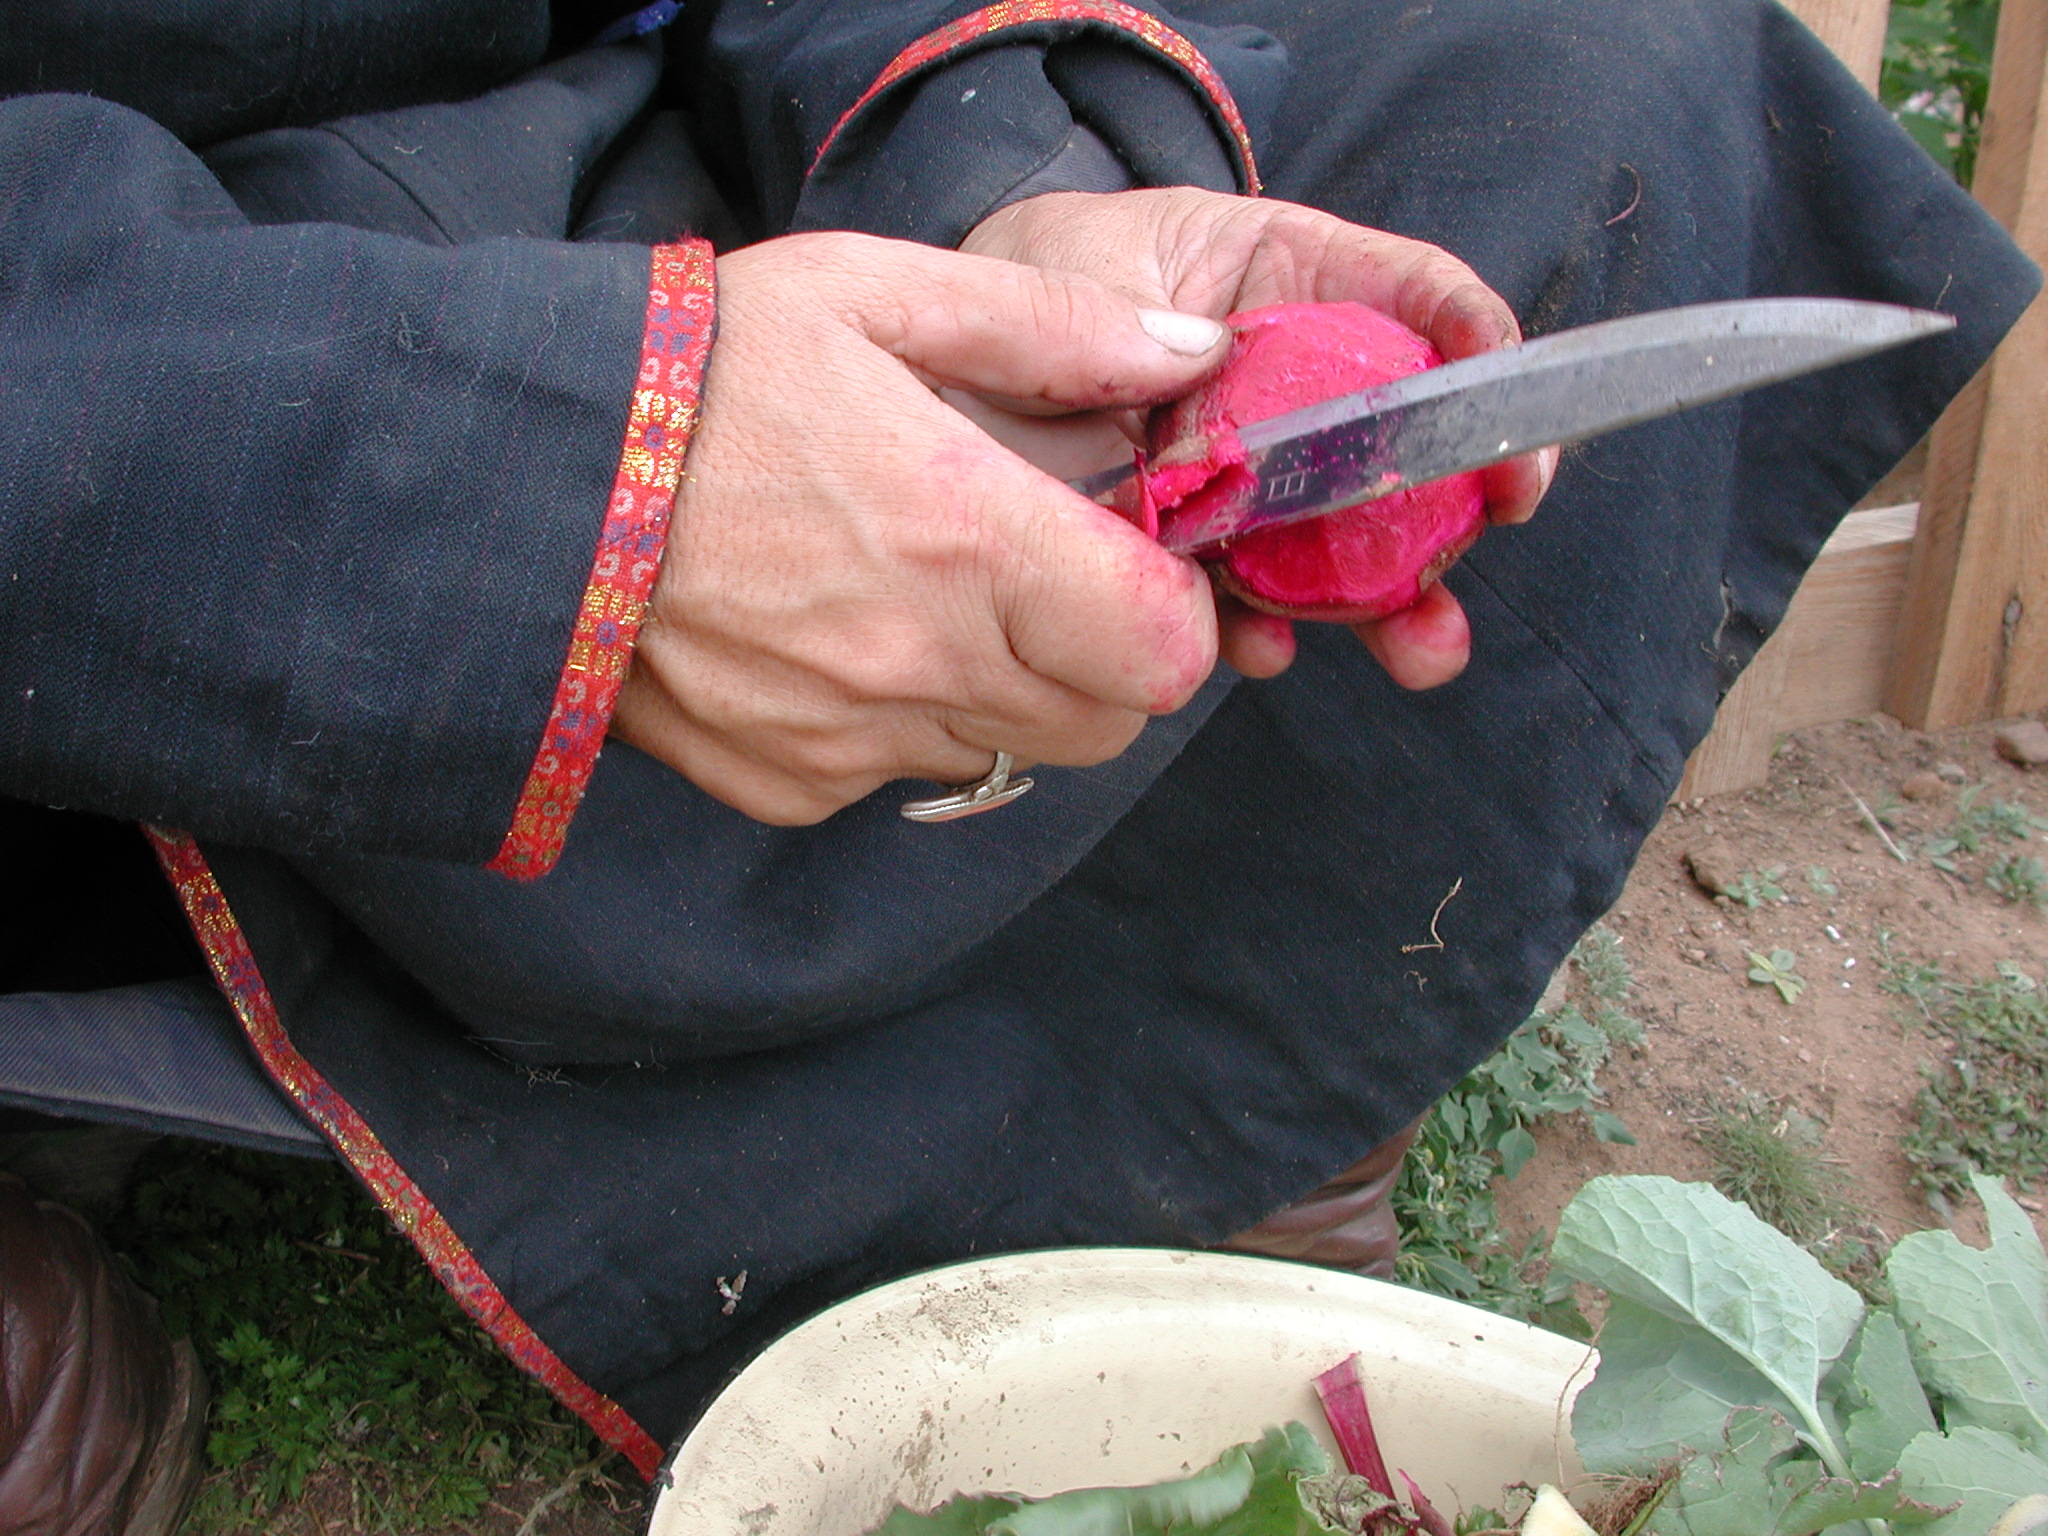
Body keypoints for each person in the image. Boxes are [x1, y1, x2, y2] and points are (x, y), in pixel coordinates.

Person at [0, 0, 2036, 1504]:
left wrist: (1019, 194)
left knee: (1601, 56)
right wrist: (541, 494)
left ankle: (1234, 1109)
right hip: (143, 386)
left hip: (640, 175)